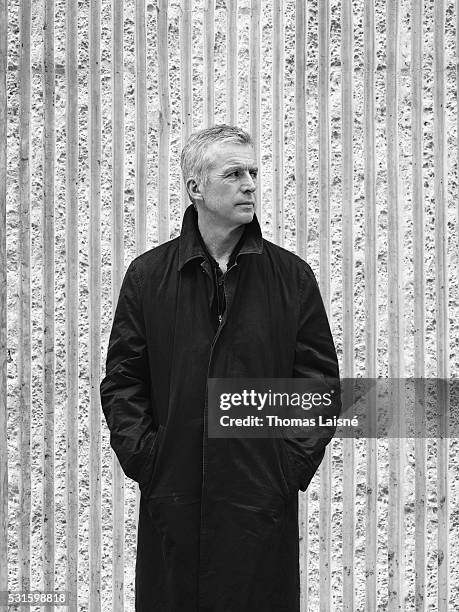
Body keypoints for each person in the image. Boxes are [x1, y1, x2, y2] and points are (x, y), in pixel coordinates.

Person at [100, 124, 340, 611]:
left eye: (253, 172)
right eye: (234, 174)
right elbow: (123, 381)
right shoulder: (149, 277)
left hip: (259, 502)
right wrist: (149, 459)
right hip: (175, 498)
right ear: (196, 188)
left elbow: (319, 383)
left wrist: (286, 465)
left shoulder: (290, 277)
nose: (250, 184)